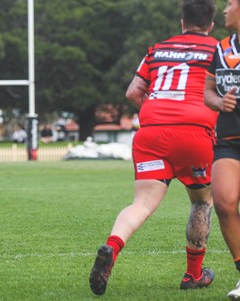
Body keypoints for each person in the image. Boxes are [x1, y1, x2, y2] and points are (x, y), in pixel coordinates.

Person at [89, 0, 218, 295]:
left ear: (181, 22)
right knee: (201, 202)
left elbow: (134, 91)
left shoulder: (157, 49)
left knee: (141, 204)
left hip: (151, 134)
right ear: (210, 25)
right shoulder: (218, 50)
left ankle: (111, 247)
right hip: (194, 133)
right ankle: (193, 275)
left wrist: (159, 112)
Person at [204, 0, 240, 299]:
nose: (225, 9)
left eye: (230, 3)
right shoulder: (222, 47)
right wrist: (219, 102)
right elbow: (207, 92)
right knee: (225, 203)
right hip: (228, 140)